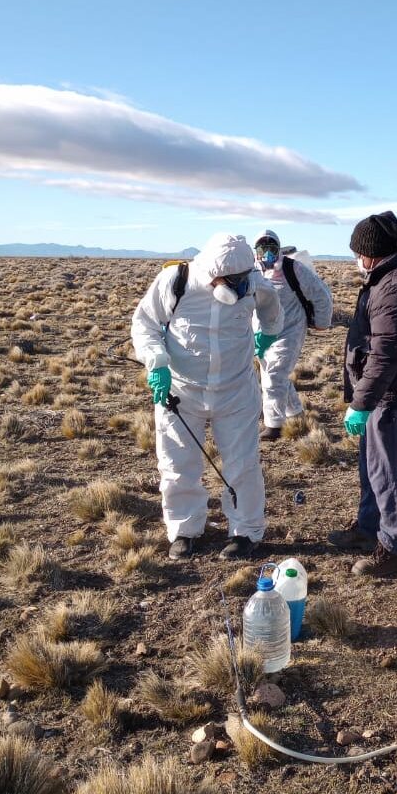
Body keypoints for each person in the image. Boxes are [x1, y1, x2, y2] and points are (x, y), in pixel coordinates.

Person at [131, 233, 283, 561]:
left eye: (244, 279)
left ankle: (246, 531)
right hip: (181, 392)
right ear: (213, 273)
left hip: (236, 391)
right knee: (177, 462)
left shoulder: (254, 282)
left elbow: (272, 307)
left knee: (243, 464)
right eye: (232, 280)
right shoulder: (177, 280)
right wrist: (156, 363)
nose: (240, 286)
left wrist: (267, 333)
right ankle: (184, 530)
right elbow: (145, 325)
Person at [326, 211, 397, 577]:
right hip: (382, 391)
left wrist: (362, 402)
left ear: (372, 253)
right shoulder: (392, 275)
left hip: (391, 393)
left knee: (388, 470)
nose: (356, 260)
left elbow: (386, 352)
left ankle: (394, 546)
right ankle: (369, 527)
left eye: (358, 252)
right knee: (372, 465)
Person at [253, 229, 334, 439]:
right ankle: (296, 413)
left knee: (274, 376)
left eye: (271, 248)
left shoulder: (293, 268)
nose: (267, 254)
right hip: (261, 333)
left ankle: (274, 425)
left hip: (289, 330)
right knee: (272, 374)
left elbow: (321, 295)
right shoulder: (253, 271)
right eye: (262, 249)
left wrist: (322, 323)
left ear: (278, 249)